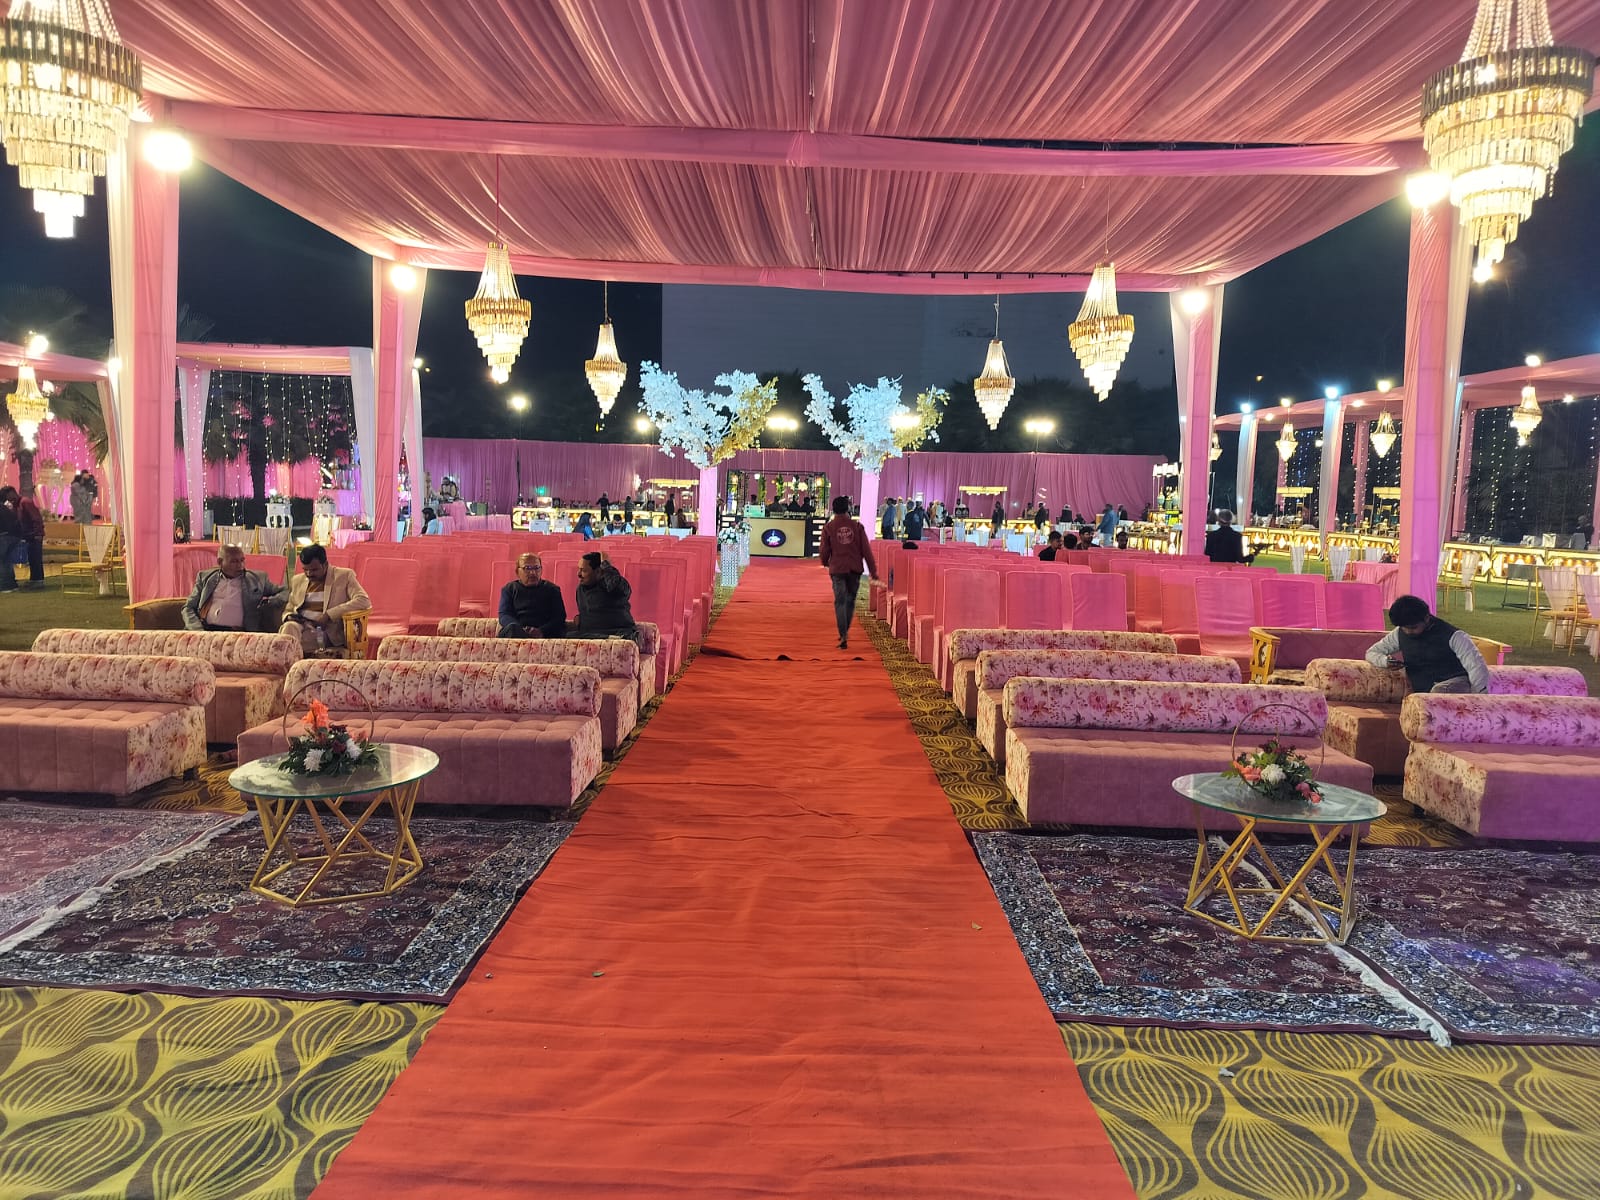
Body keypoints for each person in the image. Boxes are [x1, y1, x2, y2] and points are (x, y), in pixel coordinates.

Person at [1366, 594, 1489, 695]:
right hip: (1423, 694)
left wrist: (1477, 698)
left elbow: (1476, 667)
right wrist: (1385, 661)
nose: (1408, 632)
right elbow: (1372, 652)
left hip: (1456, 685)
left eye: (1413, 627)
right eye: (1404, 627)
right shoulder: (1399, 633)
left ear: (1426, 618)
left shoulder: (1455, 636)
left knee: (1439, 691)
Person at [280, 543, 371, 654]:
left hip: (325, 631)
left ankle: (287, 658)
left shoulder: (344, 576)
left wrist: (329, 615)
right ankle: (289, 658)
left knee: (288, 644)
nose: (309, 574)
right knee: (288, 627)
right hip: (301, 626)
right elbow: (289, 609)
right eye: (305, 570)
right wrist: (289, 616)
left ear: (325, 564)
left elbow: (363, 600)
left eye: (314, 570)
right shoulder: (297, 580)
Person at [819, 495, 877, 650]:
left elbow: (824, 549)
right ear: (848, 509)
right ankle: (845, 630)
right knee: (850, 600)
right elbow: (866, 551)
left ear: (833, 509)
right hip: (854, 569)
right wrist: (873, 571)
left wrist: (825, 562)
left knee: (840, 601)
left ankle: (843, 633)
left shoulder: (829, 527)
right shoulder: (857, 527)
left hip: (837, 569)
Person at [183, 544, 283, 632]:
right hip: (205, 631)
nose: (240, 565)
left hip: (238, 634)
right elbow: (188, 607)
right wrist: (198, 630)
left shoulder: (257, 579)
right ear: (220, 562)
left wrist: (270, 602)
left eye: (242, 560)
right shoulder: (205, 577)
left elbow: (284, 591)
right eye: (234, 561)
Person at [572, 551, 640, 643]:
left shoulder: (613, 585)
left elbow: (617, 587)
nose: (578, 574)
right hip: (594, 637)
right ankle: (609, 638)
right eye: (579, 569)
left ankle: (614, 639)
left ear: (598, 571)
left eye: (583, 570)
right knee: (567, 635)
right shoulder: (581, 589)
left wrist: (606, 567)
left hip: (619, 634)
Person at [498, 553, 566, 638]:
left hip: (544, 634)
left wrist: (541, 631)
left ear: (541, 570)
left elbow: (559, 617)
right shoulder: (509, 589)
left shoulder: (552, 589)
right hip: (516, 631)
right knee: (511, 629)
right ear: (517, 572)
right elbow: (504, 615)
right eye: (527, 568)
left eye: (536, 568)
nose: (533, 573)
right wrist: (520, 629)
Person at [6, 486, 45, 588]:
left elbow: (36, 518)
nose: (9, 499)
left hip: (35, 535)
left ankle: (38, 581)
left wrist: (37, 533)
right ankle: (35, 580)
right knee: (32, 558)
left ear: (13, 493)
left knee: (35, 558)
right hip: (29, 535)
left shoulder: (25, 502)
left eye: (9, 496)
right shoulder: (17, 505)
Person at [0, 487, 21, 593]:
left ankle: (5, 586)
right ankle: (12, 584)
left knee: (2, 561)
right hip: (12, 536)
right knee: (7, 561)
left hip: (4, 537)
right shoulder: (5, 508)